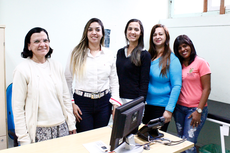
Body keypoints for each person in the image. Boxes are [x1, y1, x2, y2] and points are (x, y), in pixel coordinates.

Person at [12, 27, 76, 146]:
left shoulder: (56, 66)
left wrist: (71, 123)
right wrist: (23, 138)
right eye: (37, 41)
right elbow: (18, 108)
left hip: (61, 126)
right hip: (38, 131)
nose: (42, 44)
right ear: (29, 46)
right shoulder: (22, 70)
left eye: (45, 41)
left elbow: (65, 97)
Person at [65, 18, 121, 133]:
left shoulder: (108, 54)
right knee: (85, 138)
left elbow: (114, 81)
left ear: (102, 33)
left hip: (104, 103)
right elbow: (67, 80)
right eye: (90, 29)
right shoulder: (75, 52)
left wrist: (115, 104)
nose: (94, 33)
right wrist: (71, 103)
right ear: (86, 33)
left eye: (97, 29)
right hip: (82, 103)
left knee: (100, 136)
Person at [173, 35, 211, 153]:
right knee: (180, 142)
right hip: (179, 109)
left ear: (190, 45)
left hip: (194, 110)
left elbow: (207, 89)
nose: (183, 49)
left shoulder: (201, 62)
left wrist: (198, 111)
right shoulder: (178, 64)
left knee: (188, 145)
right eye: (179, 48)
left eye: (185, 46)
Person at [142, 24, 182, 132]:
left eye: (161, 34)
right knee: (142, 137)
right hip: (146, 105)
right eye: (154, 34)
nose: (157, 37)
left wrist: (169, 110)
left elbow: (177, 86)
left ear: (166, 37)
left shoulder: (172, 60)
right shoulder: (148, 56)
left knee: (154, 141)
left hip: (161, 107)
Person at [116, 19, 151, 104]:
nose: (132, 32)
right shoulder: (120, 52)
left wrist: (139, 103)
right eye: (130, 29)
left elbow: (144, 83)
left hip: (134, 101)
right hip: (118, 99)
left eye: (136, 29)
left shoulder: (144, 54)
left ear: (141, 33)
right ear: (126, 31)